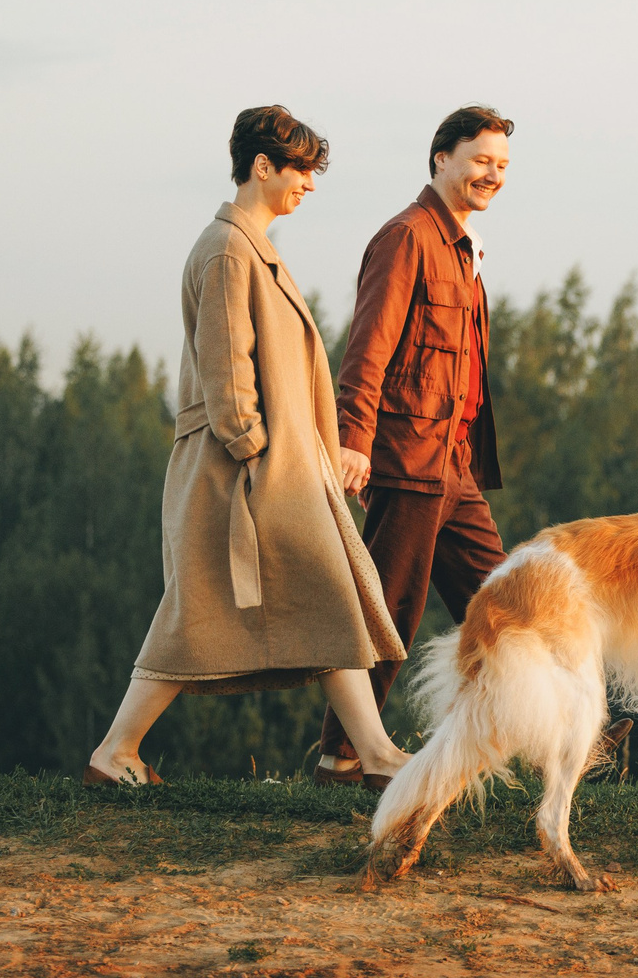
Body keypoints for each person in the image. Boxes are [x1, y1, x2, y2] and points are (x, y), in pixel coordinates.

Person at [88, 105, 413, 786]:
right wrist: (256, 453)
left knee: (309, 600)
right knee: (198, 617)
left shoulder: (246, 247)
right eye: (301, 171)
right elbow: (228, 372)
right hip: (247, 476)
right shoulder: (229, 251)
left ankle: (370, 753)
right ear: (262, 167)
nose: (310, 186)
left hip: (269, 471)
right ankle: (117, 752)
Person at [312, 104, 514, 786]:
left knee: (506, 599)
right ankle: (343, 753)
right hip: (406, 460)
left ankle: (527, 737)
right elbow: (367, 351)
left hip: (453, 467)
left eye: (503, 166)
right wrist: (354, 442)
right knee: (389, 608)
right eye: (481, 160)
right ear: (441, 160)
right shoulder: (407, 238)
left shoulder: (465, 249)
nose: (493, 174)